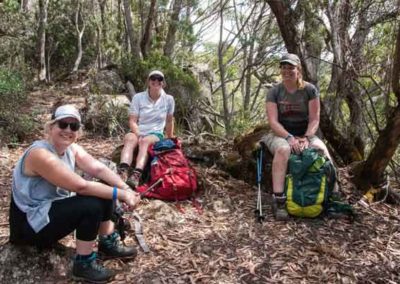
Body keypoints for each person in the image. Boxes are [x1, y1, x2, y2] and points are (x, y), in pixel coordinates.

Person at [9, 104, 141, 283]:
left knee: (104, 190)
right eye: (63, 124)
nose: (68, 130)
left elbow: (98, 168)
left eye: (74, 126)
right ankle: (84, 264)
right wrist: (122, 195)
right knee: (91, 204)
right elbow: (81, 187)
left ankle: (107, 240)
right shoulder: (39, 154)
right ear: (51, 127)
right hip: (29, 225)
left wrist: (125, 188)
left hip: (47, 214)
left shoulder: (71, 149)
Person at [262, 53, 332, 221]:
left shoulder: (309, 90)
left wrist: (307, 138)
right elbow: (273, 122)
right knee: (283, 150)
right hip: (280, 133)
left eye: (291, 67)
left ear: (298, 69)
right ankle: (279, 200)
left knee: (321, 149)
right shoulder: (275, 91)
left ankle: (332, 194)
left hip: (305, 133)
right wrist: (289, 138)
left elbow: (315, 118)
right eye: (284, 67)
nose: (287, 71)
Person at [119, 70, 175, 188]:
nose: (156, 81)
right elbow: (133, 121)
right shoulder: (138, 97)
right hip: (139, 130)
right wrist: (138, 134)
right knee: (129, 139)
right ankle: (122, 171)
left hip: (156, 133)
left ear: (163, 82)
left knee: (145, 142)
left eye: (159, 79)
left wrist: (170, 139)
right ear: (148, 81)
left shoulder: (169, 99)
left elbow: (169, 121)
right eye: (153, 78)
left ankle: (136, 174)